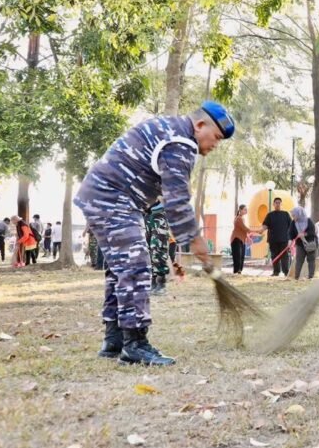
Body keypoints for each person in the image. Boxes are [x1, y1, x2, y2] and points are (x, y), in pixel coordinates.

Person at [74, 100, 234, 366]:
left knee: (121, 268)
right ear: (200, 124)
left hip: (103, 196)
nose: (215, 144)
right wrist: (195, 242)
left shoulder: (171, 131)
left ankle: (114, 340)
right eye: (215, 137)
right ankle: (135, 344)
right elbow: (177, 200)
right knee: (135, 265)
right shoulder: (181, 143)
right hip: (112, 198)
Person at [256, 198, 292, 277]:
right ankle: (276, 272)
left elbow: (291, 226)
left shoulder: (286, 214)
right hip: (273, 240)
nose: (277, 204)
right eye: (276, 203)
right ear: (273, 204)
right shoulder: (270, 215)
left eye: (279, 203)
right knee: (274, 256)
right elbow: (265, 225)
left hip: (284, 240)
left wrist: (290, 239)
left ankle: (286, 272)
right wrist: (261, 230)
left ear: (281, 204)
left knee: (284, 257)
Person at [145, 201, 171, 295]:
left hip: (159, 212)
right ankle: (153, 281)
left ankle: (161, 282)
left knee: (157, 247)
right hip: (147, 213)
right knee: (147, 249)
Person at [288, 206, 317, 280]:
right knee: (299, 260)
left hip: (310, 243)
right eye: (292, 215)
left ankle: (311, 276)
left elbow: (312, 232)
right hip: (300, 245)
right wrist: (290, 241)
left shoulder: (308, 221)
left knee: (311, 260)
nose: (293, 217)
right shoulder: (293, 222)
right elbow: (291, 233)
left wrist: (304, 234)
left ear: (299, 214)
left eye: (294, 215)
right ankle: (296, 277)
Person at [230, 204, 253, 275]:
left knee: (242, 256)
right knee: (237, 256)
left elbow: (243, 230)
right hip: (236, 239)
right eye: (245, 209)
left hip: (242, 240)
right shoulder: (238, 218)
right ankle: (236, 271)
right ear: (240, 210)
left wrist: (248, 237)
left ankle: (239, 271)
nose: (246, 211)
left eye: (246, 209)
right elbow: (244, 228)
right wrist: (257, 230)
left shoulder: (242, 218)